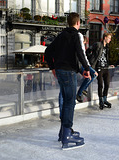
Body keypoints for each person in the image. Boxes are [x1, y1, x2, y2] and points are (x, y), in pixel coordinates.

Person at [45, 12, 91, 149]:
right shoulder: (76, 35)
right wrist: (87, 68)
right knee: (70, 102)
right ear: (78, 23)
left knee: (66, 101)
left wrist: (53, 67)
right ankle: (66, 135)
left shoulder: (60, 36)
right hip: (68, 72)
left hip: (60, 71)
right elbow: (80, 53)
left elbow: (48, 52)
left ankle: (62, 132)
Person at [86, 33, 112, 110]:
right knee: (100, 84)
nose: (110, 40)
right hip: (98, 67)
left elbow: (106, 56)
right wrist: (91, 59)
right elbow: (88, 50)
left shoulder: (107, 47)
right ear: (105, 37)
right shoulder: (97, 44)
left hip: (105, 67)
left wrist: (109, 64)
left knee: (107, 84)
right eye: (109, 38)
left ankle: (104, 99)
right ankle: (101, 100)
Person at [76, 36, 98, 103]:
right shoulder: (78, 46)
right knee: (89, 77)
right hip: (81, 65)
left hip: (85, 64)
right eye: (84, 43)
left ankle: (83, 89)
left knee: (94, 75)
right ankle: (80, 93)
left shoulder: (82, 48)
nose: (84, 44)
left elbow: (85, 57)